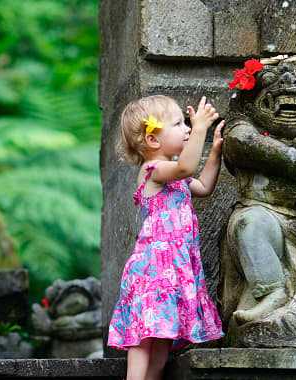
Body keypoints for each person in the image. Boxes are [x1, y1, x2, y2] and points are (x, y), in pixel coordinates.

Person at [107, 95, 225, 380]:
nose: (186, 128)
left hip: (173, 272)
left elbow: (205, 185)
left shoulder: (177, 177)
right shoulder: (154, 171)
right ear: (152, 140)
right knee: (142, 339)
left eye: (186, 125)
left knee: (161, 350)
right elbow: (185, 167)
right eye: (178, 124)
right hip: (152, 271)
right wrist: (200, 129)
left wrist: (215, 152)